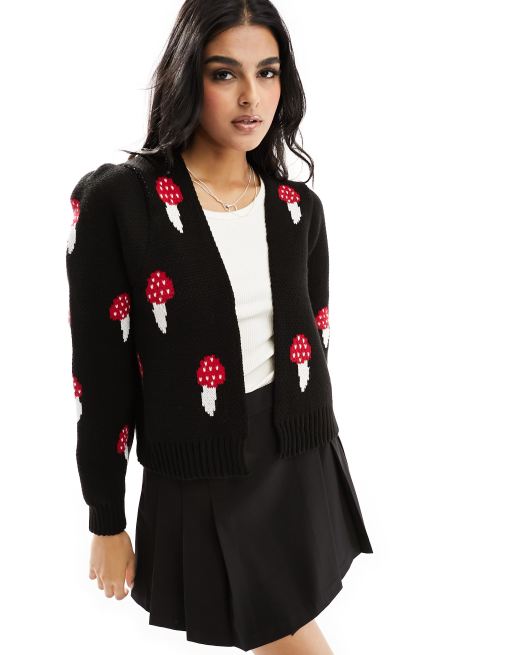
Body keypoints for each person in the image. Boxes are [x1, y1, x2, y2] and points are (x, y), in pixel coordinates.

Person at [66, 1, 373, 652]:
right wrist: (106, 517)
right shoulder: (120, 201)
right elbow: (101, 374)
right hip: (206, 469)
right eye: (224, 73)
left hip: (300, 456)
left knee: (290, 636)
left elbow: (313, 343)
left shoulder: (298, 209)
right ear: (187, 76)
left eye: (267, 72)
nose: (250, 96)